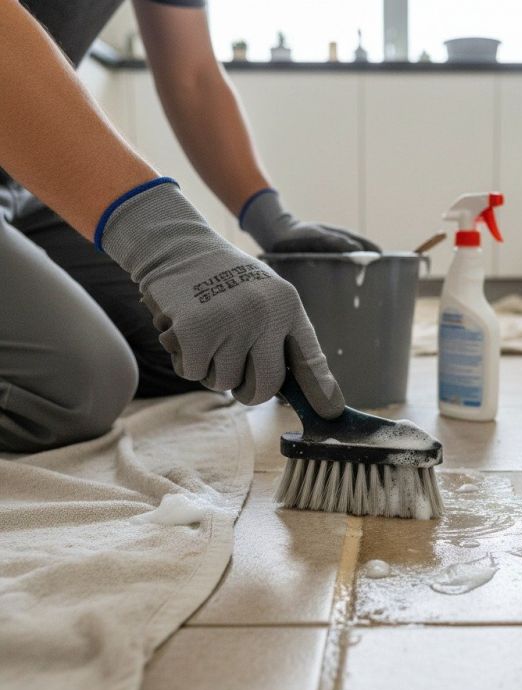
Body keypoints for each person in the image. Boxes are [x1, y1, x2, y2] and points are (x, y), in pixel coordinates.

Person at [0, 0, 378, 453]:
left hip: (21, 183)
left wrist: (272, 221)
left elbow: (193, 75)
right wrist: (164, 238)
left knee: (192, 348)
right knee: (77, 388)